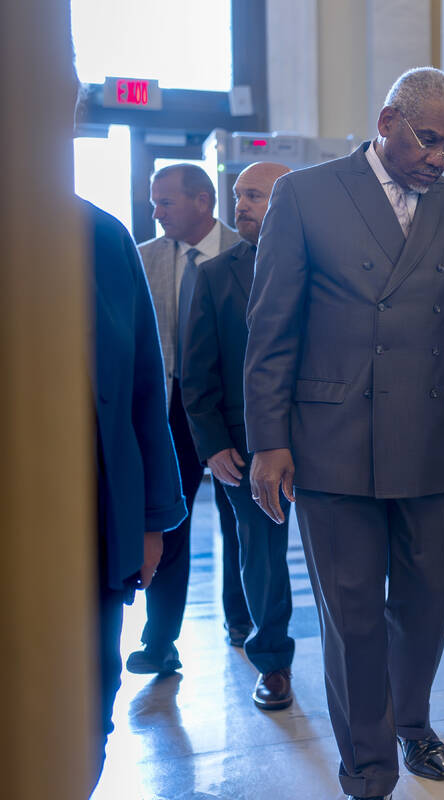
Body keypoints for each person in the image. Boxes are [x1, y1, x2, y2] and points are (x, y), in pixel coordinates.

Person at [243, 67, 444, 800]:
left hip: (428, 438)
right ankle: (369, 770)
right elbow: (270, 330)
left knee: (428, 602)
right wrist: (268, 440)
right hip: (331, 441)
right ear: (388, 120)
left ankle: (412, 720)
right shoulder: (305, 194)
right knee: (351, 617)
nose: (440, 158)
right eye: (429, 140)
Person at [179, 161, 297, 712]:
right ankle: (271, 662)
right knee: (261, 555)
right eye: (236, 195)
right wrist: (212, 445)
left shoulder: (327, 270)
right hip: (244, 448)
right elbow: (196, 374)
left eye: (253, 195)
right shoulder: (215, 274)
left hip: (326, 440)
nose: (239, 205)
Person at [129, 163, 250, 675]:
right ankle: (160, 642)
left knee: (242, 520)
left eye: (166, 203)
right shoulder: (143, 259)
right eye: (154, 203)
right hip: (169, 407)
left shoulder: (246, 255)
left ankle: (243, 623)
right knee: (169, 520)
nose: (155, 213)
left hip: (234, 407)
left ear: (203, 202)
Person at [86, 193, 188, 784]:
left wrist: (152, 519)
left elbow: (145, 387)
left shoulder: (101, 235)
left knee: (88, 689)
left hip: (94, 508)